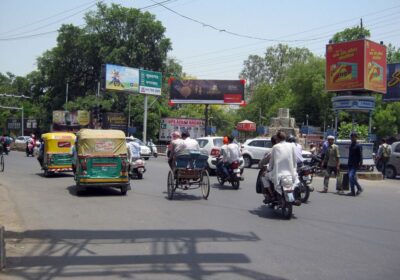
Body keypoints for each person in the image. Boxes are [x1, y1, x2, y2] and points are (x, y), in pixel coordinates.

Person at [268, 131, 298, 198]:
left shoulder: (275, 147)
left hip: (278, 173)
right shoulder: (291, 146)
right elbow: (294, 159)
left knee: (266, 177)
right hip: (290, 172)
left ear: (278, 138)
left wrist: (269, 169)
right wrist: (294, 168)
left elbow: (271, 161)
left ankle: (272, 195)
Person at [347, 132, 363, 196]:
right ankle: (353, 191)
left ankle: (359, 188)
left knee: (351, 176)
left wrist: (361, 163)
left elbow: (361, 155)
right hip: (350, 163)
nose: (352, 138)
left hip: (355, 163)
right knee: (351, 178)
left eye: (354, 137)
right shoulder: (351, 145)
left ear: (356, 137)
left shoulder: (358, 145)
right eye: (351, 137)